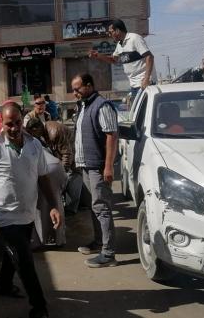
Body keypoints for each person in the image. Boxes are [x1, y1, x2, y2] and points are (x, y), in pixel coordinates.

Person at [0, 102, 62, 318]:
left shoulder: (34, 146)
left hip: (28, 212)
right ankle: (39, 306)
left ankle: (2, 284)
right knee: (24, 259)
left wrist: (52, 205)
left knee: (14, 252)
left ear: (22, 121)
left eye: (17, 123)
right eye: (8, 124)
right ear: (1, 123)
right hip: (4, 214)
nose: (13, 128)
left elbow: (43, 177)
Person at [71, 73, 119, 268]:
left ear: (89, 86)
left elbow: (111, 136)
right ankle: (99, 242)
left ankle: (108, 254)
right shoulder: (84, 105)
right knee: (94, 206)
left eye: (77, 89)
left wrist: (108, 166)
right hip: (86, 165)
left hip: (98, 166)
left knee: (102, 208)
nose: (75, 93)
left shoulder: (102, 105)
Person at [88, 19, 157, 102]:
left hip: (144, 83)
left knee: (143, 112)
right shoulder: (119, 45)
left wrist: (146, 79)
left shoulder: (134, 38)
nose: (109, 35)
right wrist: (98, 55)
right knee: (137, 112)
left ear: (117, 31)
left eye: (111, 32)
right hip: (134, 85)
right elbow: (113, 60)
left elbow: (149, 56)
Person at [24, 118, 67, 248]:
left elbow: (66, 151)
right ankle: (58, 240)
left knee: (38, 208)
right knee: (56, 204)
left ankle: (39, 242)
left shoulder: (26, 140)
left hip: (45, 170)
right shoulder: (36, 141)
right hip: (56, 167)